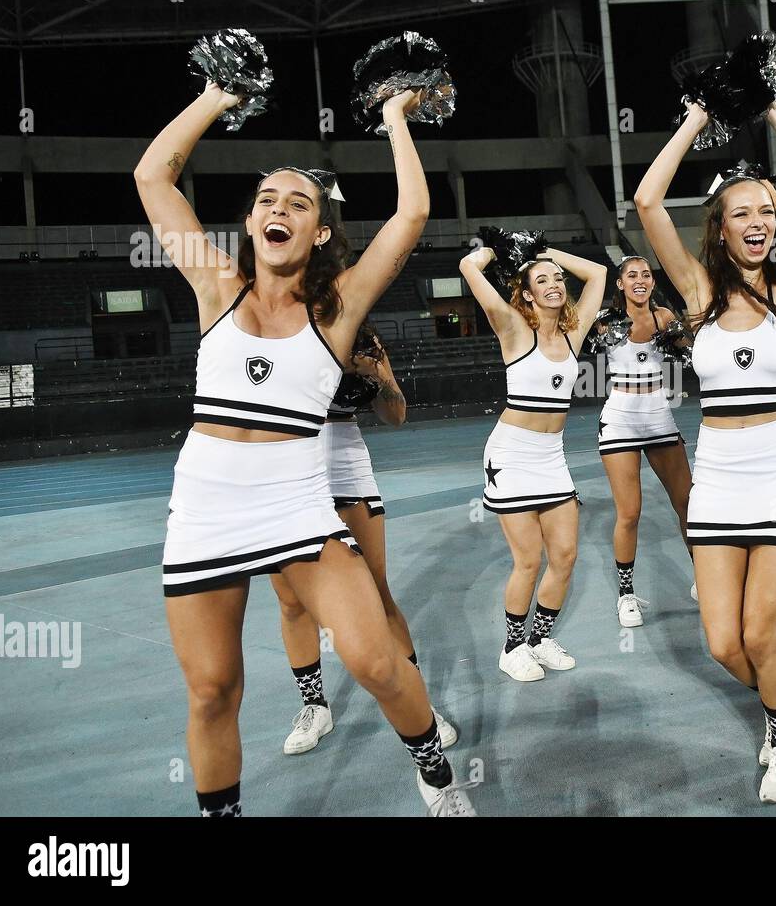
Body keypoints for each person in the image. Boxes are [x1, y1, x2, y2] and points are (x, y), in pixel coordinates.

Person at [138, 82, 474, 815]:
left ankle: (437, 778)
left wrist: (392, 120)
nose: (278, 210)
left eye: (298, 202)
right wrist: (213, 98)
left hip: (297, 507)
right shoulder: (213, 284)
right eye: (266, 200)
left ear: (321, 232)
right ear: (250, 223)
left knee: (378, 661)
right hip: (204, 513)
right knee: (212, 690)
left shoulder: (339, 309)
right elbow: (152, 176)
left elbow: (412, 213)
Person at [635, 100, 776, 803]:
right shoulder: (697, 291)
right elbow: (646, 198)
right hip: (718, 476)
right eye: (739, 214)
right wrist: (694, 117)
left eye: (763, 213)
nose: (755, 224)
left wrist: (773, 114)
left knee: (760, 632)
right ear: (720, 230)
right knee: (723, 643)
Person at [268, 325, 457, 756]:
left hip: (345, 462)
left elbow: (396, 415)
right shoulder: (273, 326)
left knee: (375, 590)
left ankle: (419, 703)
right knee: (292, 600)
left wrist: (377, 373)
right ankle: (315, 705)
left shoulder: (361, 335)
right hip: (284, 466)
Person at [456, 243, 607, 682]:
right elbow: (469, 266)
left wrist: (545, 253)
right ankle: (512, 647)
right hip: (512, 455)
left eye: (558, 278)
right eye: (542, 280)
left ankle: (539, 640)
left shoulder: (573, 335)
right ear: (525, 295)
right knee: (528, 561)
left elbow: (597, 273)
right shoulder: (512, 328)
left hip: (551, 456)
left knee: (565, 555)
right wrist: (494, 252)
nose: (555, 284)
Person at [595, 256, 693, 628]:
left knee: (688, 502)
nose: (640, 280)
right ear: (619, 283)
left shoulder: (664, 317)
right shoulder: (606, 321)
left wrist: (681, 343)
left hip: (657, 413)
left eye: (646, 275)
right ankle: (626, 596)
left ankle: (708, 579)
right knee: (630, 512)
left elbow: (692, 358)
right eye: (631, 275)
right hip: (620, 417)